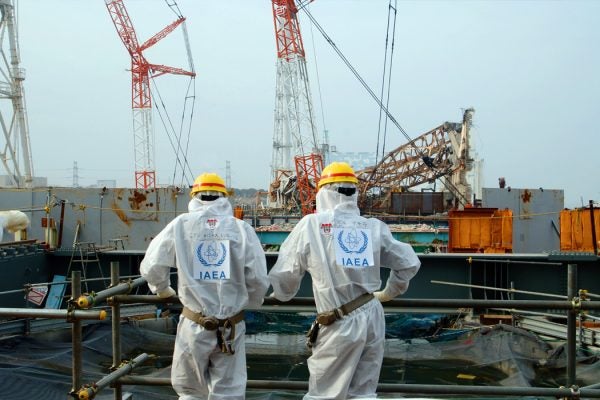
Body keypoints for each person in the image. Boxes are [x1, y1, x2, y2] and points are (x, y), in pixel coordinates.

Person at [268, 161, 421, 399]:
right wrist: (390, 292)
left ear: (323, 192)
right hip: (371, 313)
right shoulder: (373, 227)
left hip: (338, 320)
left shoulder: (312, 225)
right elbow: (409, 263)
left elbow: (286, 274)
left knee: (325, 393)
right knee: (363, 393)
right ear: (354, 193)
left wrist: (281, 295)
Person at [140, 172, 268, 400]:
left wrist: (162, 289)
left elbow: (152, 266)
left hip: (193, 323)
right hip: (231, 326)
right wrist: (252, 302)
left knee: (190, 392)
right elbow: (258, 277)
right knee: (228, 392)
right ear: (224, 197)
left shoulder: (180, 225)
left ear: (194, 197)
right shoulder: (241, 229)